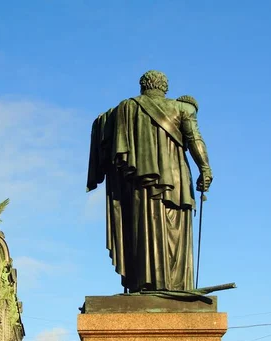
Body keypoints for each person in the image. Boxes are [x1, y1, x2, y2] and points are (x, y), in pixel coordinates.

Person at [87, 70, 213, 292]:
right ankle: (176, 286)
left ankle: (143, 282)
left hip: (137, 183)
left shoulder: (124, 109)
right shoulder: (182, 108)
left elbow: (102, 132)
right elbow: (195, 139)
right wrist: (205, 169)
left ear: (143, 86)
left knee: (140, 227)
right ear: (164, 87)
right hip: (176, 182)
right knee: (175, 229)